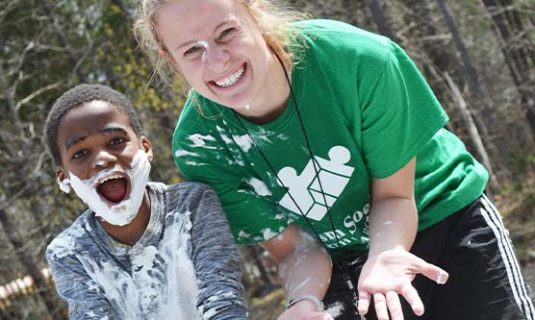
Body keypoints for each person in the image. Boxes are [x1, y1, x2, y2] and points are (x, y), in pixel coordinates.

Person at [134, 1, 535, 319]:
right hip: (342, 259)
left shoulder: (358, 60)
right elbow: (296, 249)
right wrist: (302, 301)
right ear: (172, 61)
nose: (217, 60)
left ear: (255, 16)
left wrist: (385, 255)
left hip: (441, 217)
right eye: (192, 51)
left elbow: (395, 197)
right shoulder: (201, 146)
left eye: (227, 32)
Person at [44, 84, 247, 319]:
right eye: (80, 153)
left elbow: (222, 299)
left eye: (116, 141)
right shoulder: (69, 252)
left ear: (145, 147)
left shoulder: (193, 205)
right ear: (64, 178)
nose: (103, 159)